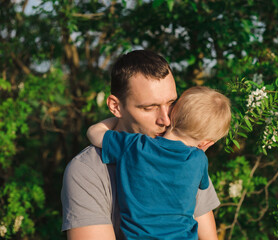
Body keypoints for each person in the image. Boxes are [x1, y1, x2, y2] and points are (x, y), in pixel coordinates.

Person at [61, 50, 222, 240]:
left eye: (171, 103)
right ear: (115, 107)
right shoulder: (87, 171)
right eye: (149, 107)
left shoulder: (187, 155)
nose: (166, 120)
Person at [86, 86, 231, 239]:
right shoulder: (199, 160)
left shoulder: (135, 145)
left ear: (172, 114)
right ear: (206, 143)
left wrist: (120, 117)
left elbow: (93, 133)